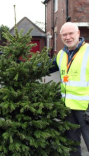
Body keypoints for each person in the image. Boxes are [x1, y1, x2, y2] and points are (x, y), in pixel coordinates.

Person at [51, 22, 89, 156]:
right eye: (64, 35)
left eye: (71, 33)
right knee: (72, 144)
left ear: (78, 33)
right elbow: (46, 67)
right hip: (68, 108)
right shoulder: (61, 54)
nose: (68, 37)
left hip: (86, 109)